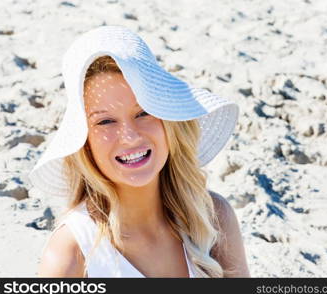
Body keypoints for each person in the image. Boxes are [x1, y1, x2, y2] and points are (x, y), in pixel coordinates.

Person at [29, 25, 250, 278]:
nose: (130, 136)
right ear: (85, 142)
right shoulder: (72, 255)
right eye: (105, 122)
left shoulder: (212, 217)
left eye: (143, 112)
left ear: (168, 121)